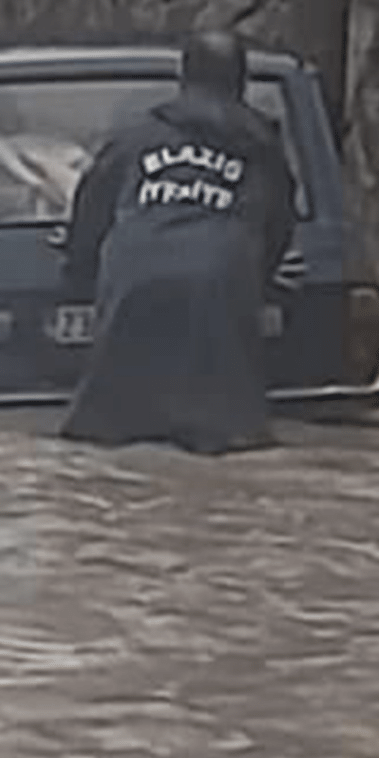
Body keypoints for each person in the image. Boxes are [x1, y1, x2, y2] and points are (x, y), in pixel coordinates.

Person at [56, 30, 299, 455]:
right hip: (220, 286)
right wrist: (263, 281)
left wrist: (77, 273)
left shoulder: (136, 139)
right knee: (229, 440)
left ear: (183, 78)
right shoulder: (262, 149)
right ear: (241, 83)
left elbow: (91, 208)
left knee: (108, 434)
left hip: (135, 280)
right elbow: (279, 223)